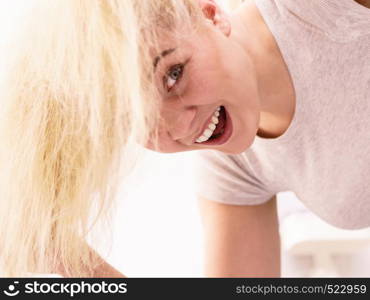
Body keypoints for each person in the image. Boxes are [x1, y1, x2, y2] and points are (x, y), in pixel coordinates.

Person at [0, 0, 369, 277]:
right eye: (134, 120)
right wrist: (73, 262)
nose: (178, 128)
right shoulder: (232, 166)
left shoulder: (315, 8)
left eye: (172, 76)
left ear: (209, 14)